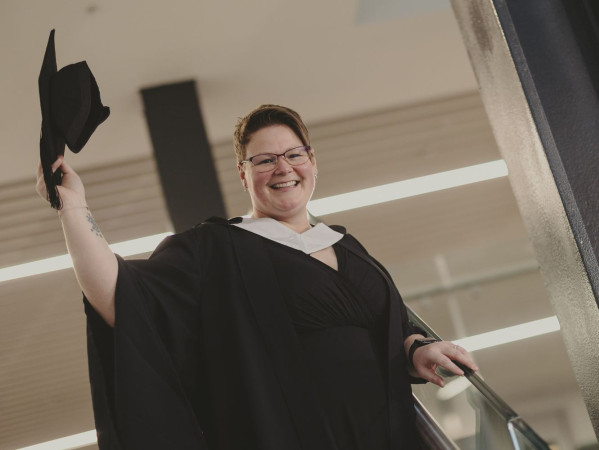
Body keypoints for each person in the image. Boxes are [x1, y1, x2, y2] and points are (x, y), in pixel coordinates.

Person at [36, 104, 478, 449]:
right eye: (264, 160)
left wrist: (416, 348)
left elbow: (389, 328)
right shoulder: (217, 248)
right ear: (243, 174)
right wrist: (74, 208)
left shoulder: (349, 248)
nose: (283, 168)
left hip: (392, 436)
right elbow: (121, 298)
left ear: (312, 162)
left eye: (293, 155)